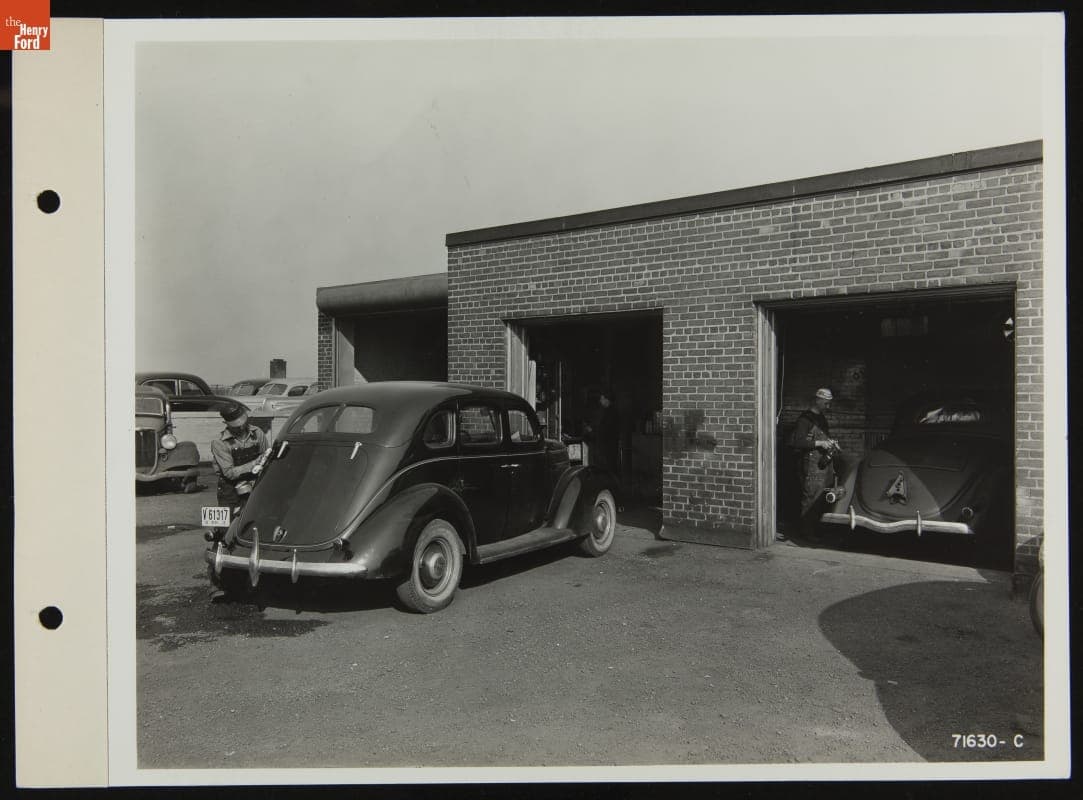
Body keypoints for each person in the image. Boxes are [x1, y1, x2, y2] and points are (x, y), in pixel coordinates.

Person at [784, 387, 839, 544]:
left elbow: (824, 437)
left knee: (820, 498)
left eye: (829, 403)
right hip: (810, 466)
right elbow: (798, 442)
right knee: (810, 499)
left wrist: (830, 442)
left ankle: (815, 530)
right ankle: (806, 533)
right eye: (826, 403)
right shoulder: (805, 419)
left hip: (822, 465)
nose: (828, 406)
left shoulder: (822, 418)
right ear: (818, 400)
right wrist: (820, 443)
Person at [210, 403, 271, 517]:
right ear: (226, 423)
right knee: (227, 524)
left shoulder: (257, 433)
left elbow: (267, 457)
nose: (242, 428)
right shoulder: (219, 442)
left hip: (254, 484)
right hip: (229, 490)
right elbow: (229, 473)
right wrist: (254, 463)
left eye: (243, 423)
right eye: (237, 426)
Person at [583, 390, 620, 477]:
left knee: (609, 470)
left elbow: (605, 430)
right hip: (608, 445)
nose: (600, 401)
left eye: (602, 399)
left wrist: (592, 431)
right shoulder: (609, 411)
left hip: (608, 446)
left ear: (607, 400)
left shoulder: (611, 412)